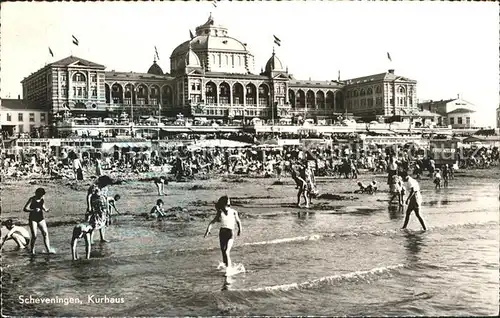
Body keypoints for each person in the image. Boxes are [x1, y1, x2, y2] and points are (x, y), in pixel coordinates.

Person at [204, 196, 242, 270]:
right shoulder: (220, 213)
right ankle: (226, 267)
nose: (228, 207)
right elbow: (212, 222)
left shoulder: (234, 212)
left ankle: (229, 270)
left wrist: (240, 230)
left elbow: (238, 221)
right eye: (227, 205)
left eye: (229, 205)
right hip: (222, 233)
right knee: (223, 252)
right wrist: (208, 230)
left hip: (230, 233)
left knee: (227, 251)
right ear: (223, 204)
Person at [23, 188, 56, 254]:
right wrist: (33, 210)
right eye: (41, 195)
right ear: (37, 193)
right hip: (33, 218)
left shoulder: (42, 199)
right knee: (34, 235)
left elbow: (43, 206)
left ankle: (48, 250)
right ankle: (32, 250)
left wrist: (46, 210)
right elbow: (25, 209)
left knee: (45, 233)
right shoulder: (32, 199)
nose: (42, 196)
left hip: (41, 218)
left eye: (42, 195)